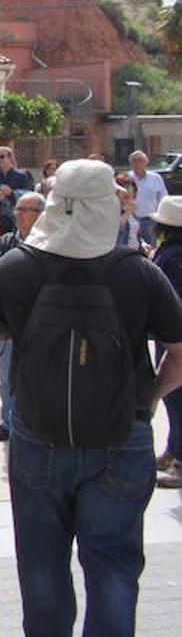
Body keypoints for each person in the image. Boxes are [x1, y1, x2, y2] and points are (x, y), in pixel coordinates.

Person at [0, 159, 182, 635]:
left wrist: (22, 330)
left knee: (42, 562)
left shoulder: (19, 264)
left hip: (37, 432)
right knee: (112, 566)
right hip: (121, 431)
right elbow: (180, 353)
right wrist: (149, 398)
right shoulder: (137, 272)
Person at [0, 190, 46, 444]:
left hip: (38, 321)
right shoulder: (7, 241)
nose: (17, 214)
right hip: (8, 320)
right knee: (7, 376)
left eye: (24, 210)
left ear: (40, 215)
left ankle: (33, 423)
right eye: (17, 209)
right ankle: (9, 423)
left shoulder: (50, 242)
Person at [150, 196, 182, 489]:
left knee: (177, 396)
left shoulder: (173, 257)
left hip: (174, 335)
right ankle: (174, 449)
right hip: (171, 334)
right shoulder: (170, 253)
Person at [0, 146, 34, 234]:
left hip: (16, 218)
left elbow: (30, 195)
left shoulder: (22, 176)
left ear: (10, 157)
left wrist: (12, 193)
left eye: (2, 157)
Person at [128, 150, 167, 247]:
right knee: (132, 247)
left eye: (140, 160)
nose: (137, 163)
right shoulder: (126, 178)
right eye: (134, 160)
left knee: (151, 247)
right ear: (130, 163)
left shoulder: (155, 178)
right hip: (131, 219)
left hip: (149, 219)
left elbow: (163, 197)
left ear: (146, 162)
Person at [115, 174, 141, 249]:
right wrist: (127, 213)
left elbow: (133, 232)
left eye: (130, 190)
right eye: (123, 190)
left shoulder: (132, 211)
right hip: (121, 254)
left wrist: (142, 243)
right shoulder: (113, 210)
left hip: (134, 251)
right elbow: (116, 228)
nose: (127, 193)